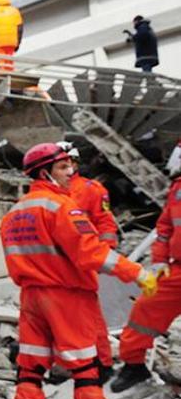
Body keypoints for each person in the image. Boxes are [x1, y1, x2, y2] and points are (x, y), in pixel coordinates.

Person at [0, 143, 155, 399]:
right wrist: (137, 272)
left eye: (70, 165)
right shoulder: (62, 207)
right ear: (45, 172)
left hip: (31, 299)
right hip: (68, 299)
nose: (70, 172)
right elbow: (91, 252)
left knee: (30, 372)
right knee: (87, 375)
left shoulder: (13, 214)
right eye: (62, 167)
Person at [111, 143, 181, 394]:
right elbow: (165, 229)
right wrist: (160, 259)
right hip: (176, 270)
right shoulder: (177, 188)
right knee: (144, 311)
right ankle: (133, 365)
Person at [64, 145, 119, 381]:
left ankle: (102, 364)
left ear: (75, 164)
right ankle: (69, 362)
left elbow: (106, 224)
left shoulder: (91, 189)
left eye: (67, 163)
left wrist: (103, 255)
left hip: (83, 261)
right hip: (57, 263)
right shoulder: (51, 191)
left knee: (90, 315)